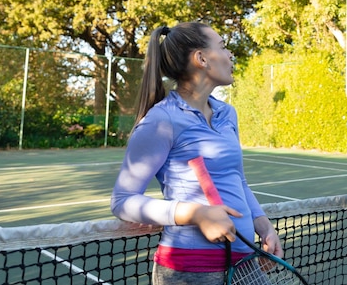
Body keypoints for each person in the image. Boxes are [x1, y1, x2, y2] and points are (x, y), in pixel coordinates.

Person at [111, 22, 283, 285]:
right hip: (191, 270)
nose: (230, 55)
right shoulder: (161, 120)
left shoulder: (228, 114)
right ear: (201, 58)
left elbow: (238, 180)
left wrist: (263, 225)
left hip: (246, 263)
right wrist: (195, 214)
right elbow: (122, 201)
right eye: (223, 48)